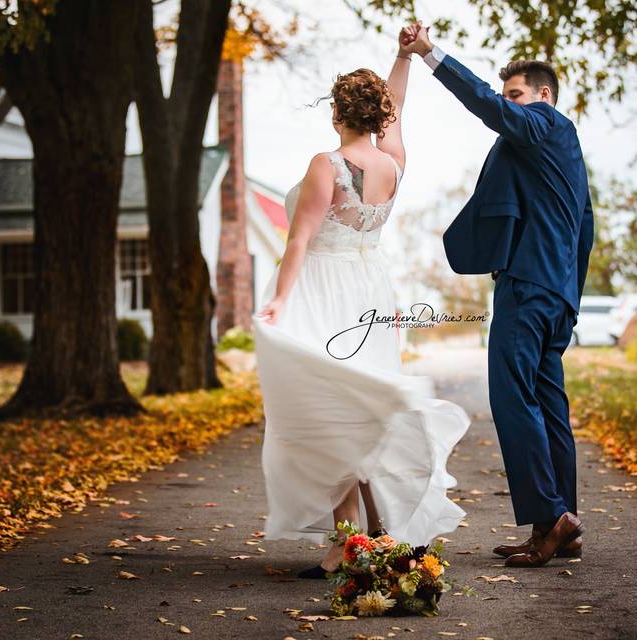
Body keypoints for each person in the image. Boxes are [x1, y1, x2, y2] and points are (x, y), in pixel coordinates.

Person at [252, 29, 470, 579]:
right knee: (358, 403)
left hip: (323, 288)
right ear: (380, 115)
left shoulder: (327, 164)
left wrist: (279, 300)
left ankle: (348, 539)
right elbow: (398, 116)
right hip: (371, 288)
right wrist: (402, 58)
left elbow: (298, 240)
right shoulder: (392, 162)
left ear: (335, 114)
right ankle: (369, 535)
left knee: (331, 407)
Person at [400, 24, 593, 568]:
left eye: (517, 95)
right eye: (509, 96)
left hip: (528, 286)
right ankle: (563, 527)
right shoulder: (567, 152)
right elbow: (587, 228)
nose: (510, 106)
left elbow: (486, 105)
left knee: (510, 398)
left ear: (543, 96)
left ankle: (550, 515)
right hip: (555, 293)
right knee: (549, 405)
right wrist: (570, 300)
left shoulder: (541, 125)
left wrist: (429, 55)